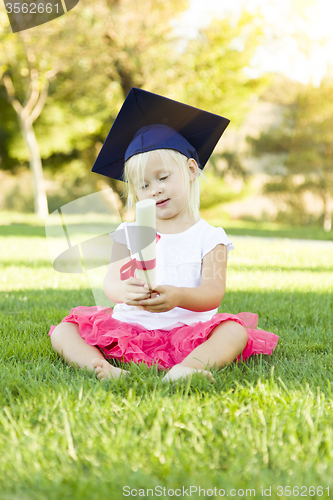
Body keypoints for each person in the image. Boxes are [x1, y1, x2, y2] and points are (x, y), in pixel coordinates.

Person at [49, 88, 279, 383]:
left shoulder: (210, 237)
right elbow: (111, 282)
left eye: (163, 177)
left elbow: (213, 292)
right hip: (129, 328)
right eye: (143, 185)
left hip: (188, 331)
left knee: (233, 331)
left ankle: (188, 368)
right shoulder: (128, 233)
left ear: (191, 170)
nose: (154, 189)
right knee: (66, 329)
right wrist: (124, 293)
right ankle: (101, 367)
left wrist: (179, 296)